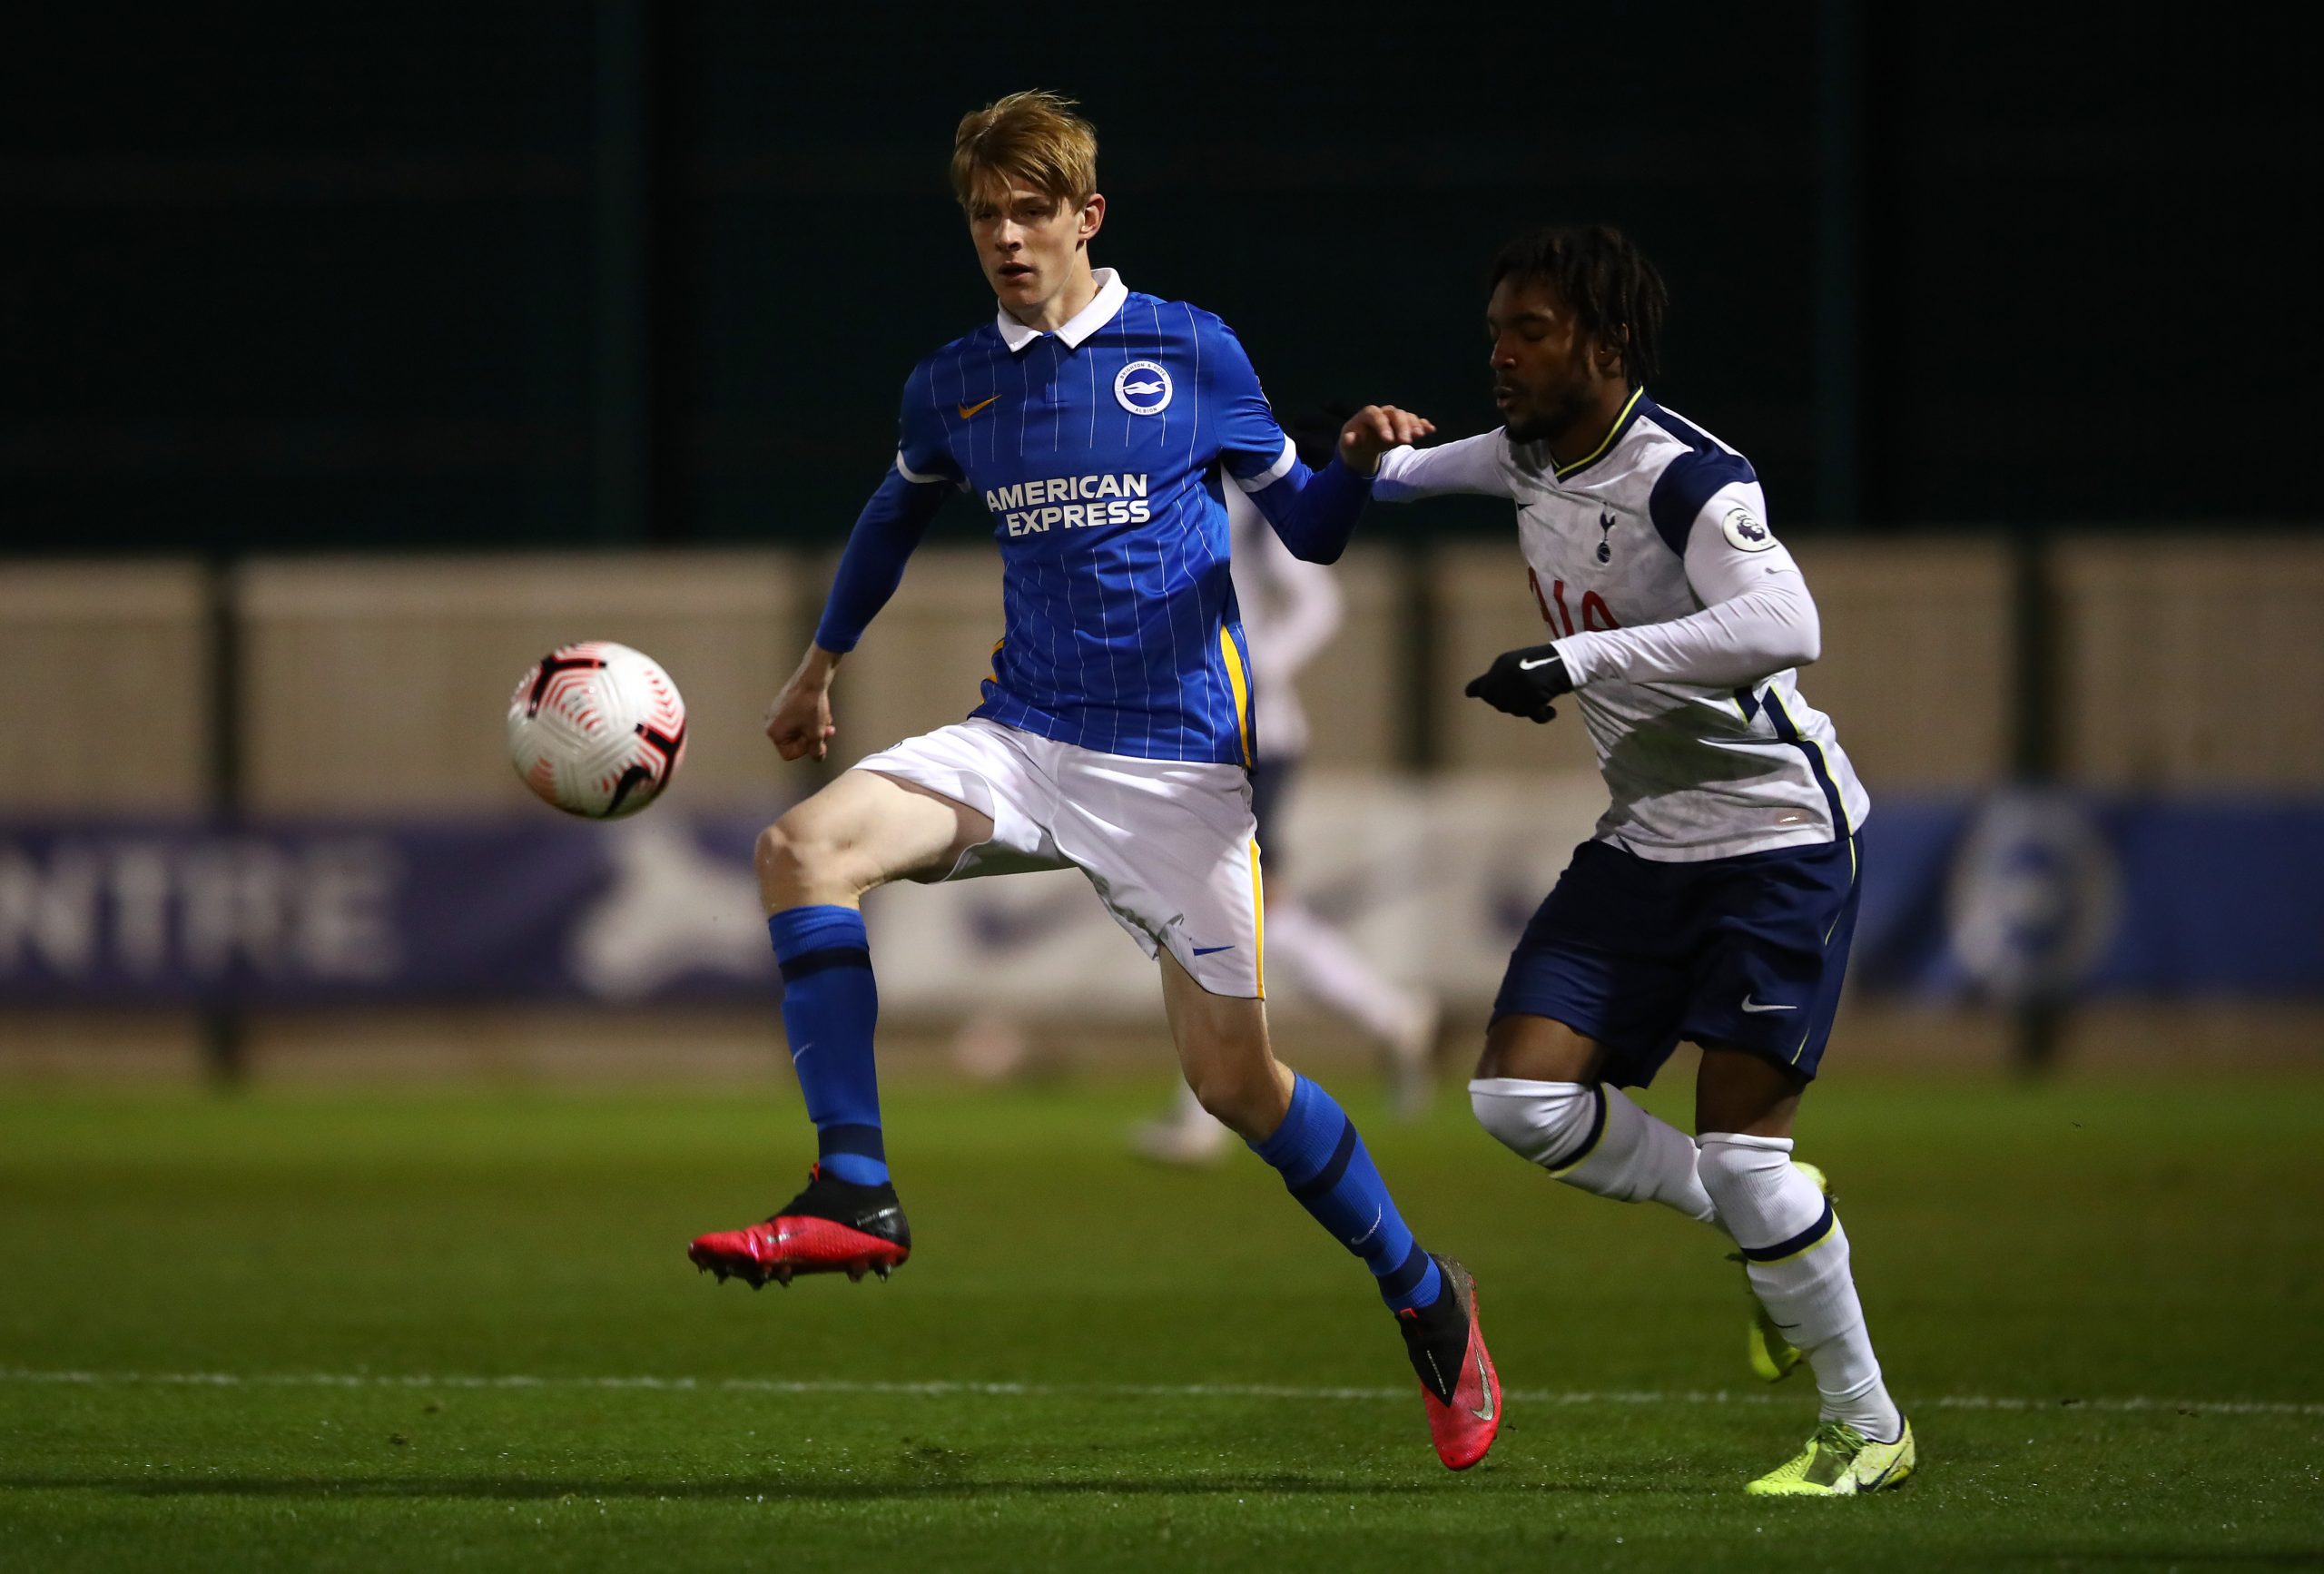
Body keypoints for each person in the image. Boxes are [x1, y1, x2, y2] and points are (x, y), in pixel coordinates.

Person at [684, 92, 1500, 1471]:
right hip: (1024, 736)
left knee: (1237, 1085)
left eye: (1029, 212)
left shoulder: (1191, 346)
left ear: (1086, 216)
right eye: (983, 216)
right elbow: (895, 516)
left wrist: (1356, 463)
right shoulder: (952, 381)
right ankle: (857, 1186)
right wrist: (818, 666)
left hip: (1179, 771)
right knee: (799, 852)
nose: (1006, 238)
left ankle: (1427, 1294)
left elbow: (1303, 530)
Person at [1370, 223, 1911, 1496]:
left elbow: (1789, 622)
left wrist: (1577, 659)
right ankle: (1770, 1225)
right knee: (1517, 1100)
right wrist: (1350, 450)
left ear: (1607, 347)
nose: (1501, 356)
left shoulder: (1688, 477)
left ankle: (1869, 1428)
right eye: (1495, 330)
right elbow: (1392, 480)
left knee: (1746, 1155)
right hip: (1648, 845)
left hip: (1778, 844)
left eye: (1532, 333)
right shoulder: (1521, 456)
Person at [1132, 417, 1440, 1166]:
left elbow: (1319, 603)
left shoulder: (1243, 496)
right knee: (1250, 910)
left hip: (1251, 734)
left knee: (1211, 907)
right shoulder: (1162, 502)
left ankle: (1206, 1110)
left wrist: (1252, 664)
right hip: (1205, 733)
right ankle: (1394, 1017)